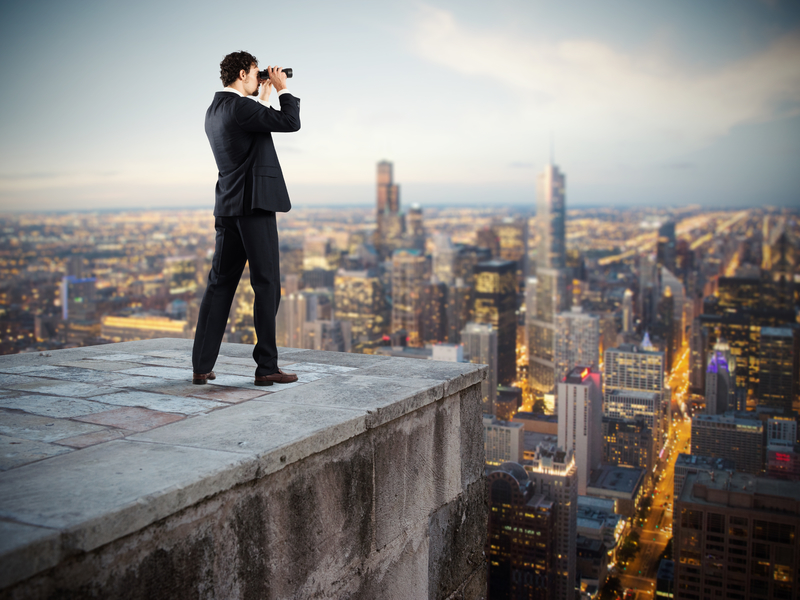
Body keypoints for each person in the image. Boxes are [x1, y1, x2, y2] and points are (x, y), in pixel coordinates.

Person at [192, 51, 300, 387]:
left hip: (228, 208)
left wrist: (262, 94)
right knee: (266, 285)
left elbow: (253, 126)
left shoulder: (216, 110)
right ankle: (266, 366)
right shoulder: (241, 107)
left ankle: (201, 365)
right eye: (256, 73)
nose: (260, 78)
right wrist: (282, 89)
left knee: (219, 285)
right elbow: (289, 122)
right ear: (242, 74)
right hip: (254, 207)